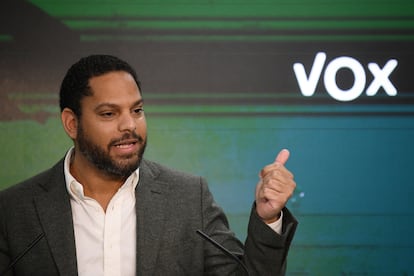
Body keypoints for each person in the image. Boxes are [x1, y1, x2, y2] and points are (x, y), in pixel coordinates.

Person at [0, 55, 298, 276]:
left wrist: (268, 217)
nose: (129, 125)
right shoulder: (14, 211)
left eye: (137, 110)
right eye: (108, 113)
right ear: (71, 123)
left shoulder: (188, 198)